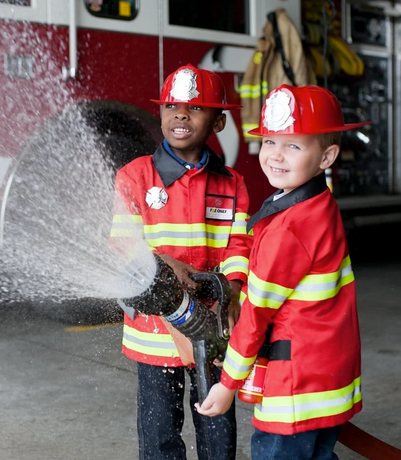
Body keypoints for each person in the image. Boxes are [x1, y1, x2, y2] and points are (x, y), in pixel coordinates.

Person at [196, 84, 368, 460]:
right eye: (270, 142)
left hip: (296, 387)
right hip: (326, 375)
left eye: (293, 146)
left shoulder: (289, 228)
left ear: (327, 157)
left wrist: (227, 385)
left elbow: (257, 314)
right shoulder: (318, 204)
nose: (275, 155)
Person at [110, 63, 251, 460]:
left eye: (195, 108)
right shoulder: (134, 177)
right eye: (171, 105)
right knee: (159, 436)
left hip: (212, 332)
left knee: (217, 429)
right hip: (154, 336)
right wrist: (162, 262)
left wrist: (234, 292)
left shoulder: (232, 183)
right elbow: (122, 242)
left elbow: (239, 244)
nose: (181, 115)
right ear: (160, 114)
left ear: (219, 122)